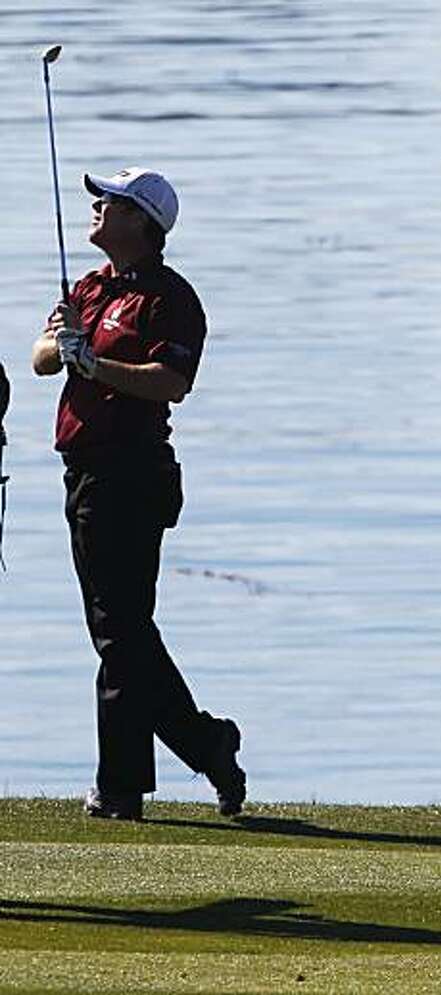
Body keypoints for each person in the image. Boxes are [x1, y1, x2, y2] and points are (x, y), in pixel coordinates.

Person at [32, 167, 245, 821]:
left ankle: (121, 787)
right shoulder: (90, 288)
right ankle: (209, 743)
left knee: (119, 633)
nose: (97, 207)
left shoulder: (168, 298)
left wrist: (96, 364)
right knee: (122, 630)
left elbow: (170, 380)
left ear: (143, 223)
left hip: (131, 472)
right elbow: (42, 358)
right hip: (83, 471)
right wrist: (63, 343)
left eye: (113, 202)